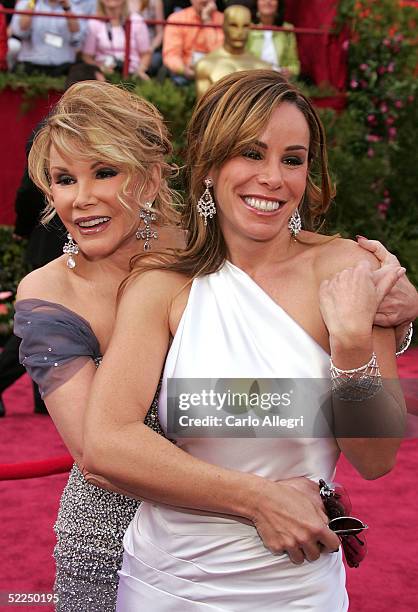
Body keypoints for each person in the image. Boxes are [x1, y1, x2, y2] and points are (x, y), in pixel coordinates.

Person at [84, 71, 409, 610]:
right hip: (169, 584)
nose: (273, 178)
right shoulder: (162, 284)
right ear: (210, 166)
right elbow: (107, 441)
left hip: (298, 589)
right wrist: (260, 500)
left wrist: (351, 346)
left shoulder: (348, 272)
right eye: (251, 154)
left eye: (292, 158)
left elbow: (375, 458)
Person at [13, 80, 183, 610]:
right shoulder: (46, 292)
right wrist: (260, 498)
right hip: (110, 550)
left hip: (236, 550)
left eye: (104, 172)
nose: (81, 198)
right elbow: (99, 455)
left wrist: (395, 311)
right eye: (65, 179)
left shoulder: (210, 251)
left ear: (151, 177)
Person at [195, 4, 271, 98]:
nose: (240, 32)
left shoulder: (264, 68)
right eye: (233, 25)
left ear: (250, 28)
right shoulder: (205, 65)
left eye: (245, 26)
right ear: (223, 26)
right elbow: (203, 109)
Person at [10, 0, 87, 76]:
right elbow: (19, 32)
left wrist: (67, 9)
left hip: (63, 66)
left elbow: (77, 37)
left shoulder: (76, 8)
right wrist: (32, 4)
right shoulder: (26, 4)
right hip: (30, 63)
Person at [82, 0, 151, 79]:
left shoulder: (136, 20)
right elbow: (87, 57)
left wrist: (140, 71)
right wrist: (100, 68)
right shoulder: (94, 22)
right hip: (103, 76)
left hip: (132, 74)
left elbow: (146, 54)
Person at [162, 0, 224, 84]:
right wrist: (184, 70)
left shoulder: (225, 20)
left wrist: (207, 20)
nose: (204, 0)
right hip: (185, 72)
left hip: (216, 73)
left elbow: (220, 54)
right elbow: (171, 55)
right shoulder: (176, 19)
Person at [247, 0, 300, 77]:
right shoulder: (247, 27)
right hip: (252, 79)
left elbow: (295, 65)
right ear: (256, 3)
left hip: (278, 81)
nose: (268, 1)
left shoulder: (287, 29)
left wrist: (290, 71)